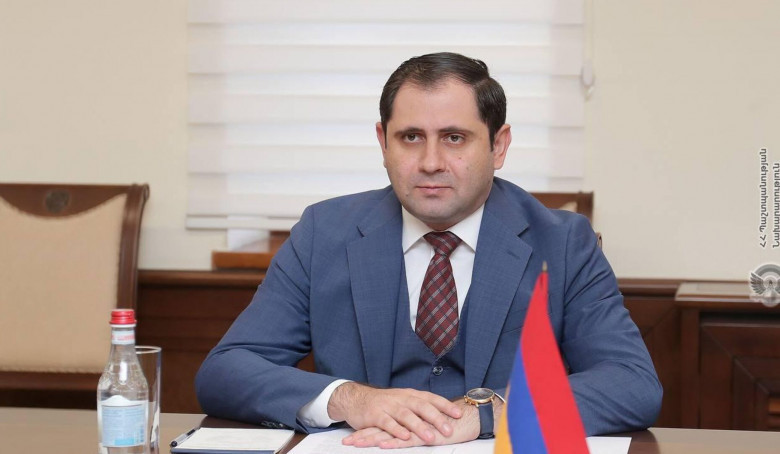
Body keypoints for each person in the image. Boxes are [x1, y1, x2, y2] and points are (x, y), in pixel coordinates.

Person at [196, 52, 662, 448]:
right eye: (410, 137)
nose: (431, 162)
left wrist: (486, 414)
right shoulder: (324, 233)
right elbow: (225, 371)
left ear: (498, 146)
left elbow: (632, 382)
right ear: (383, 143)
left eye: (454, 138)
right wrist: (350, 399)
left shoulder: (561, 242)